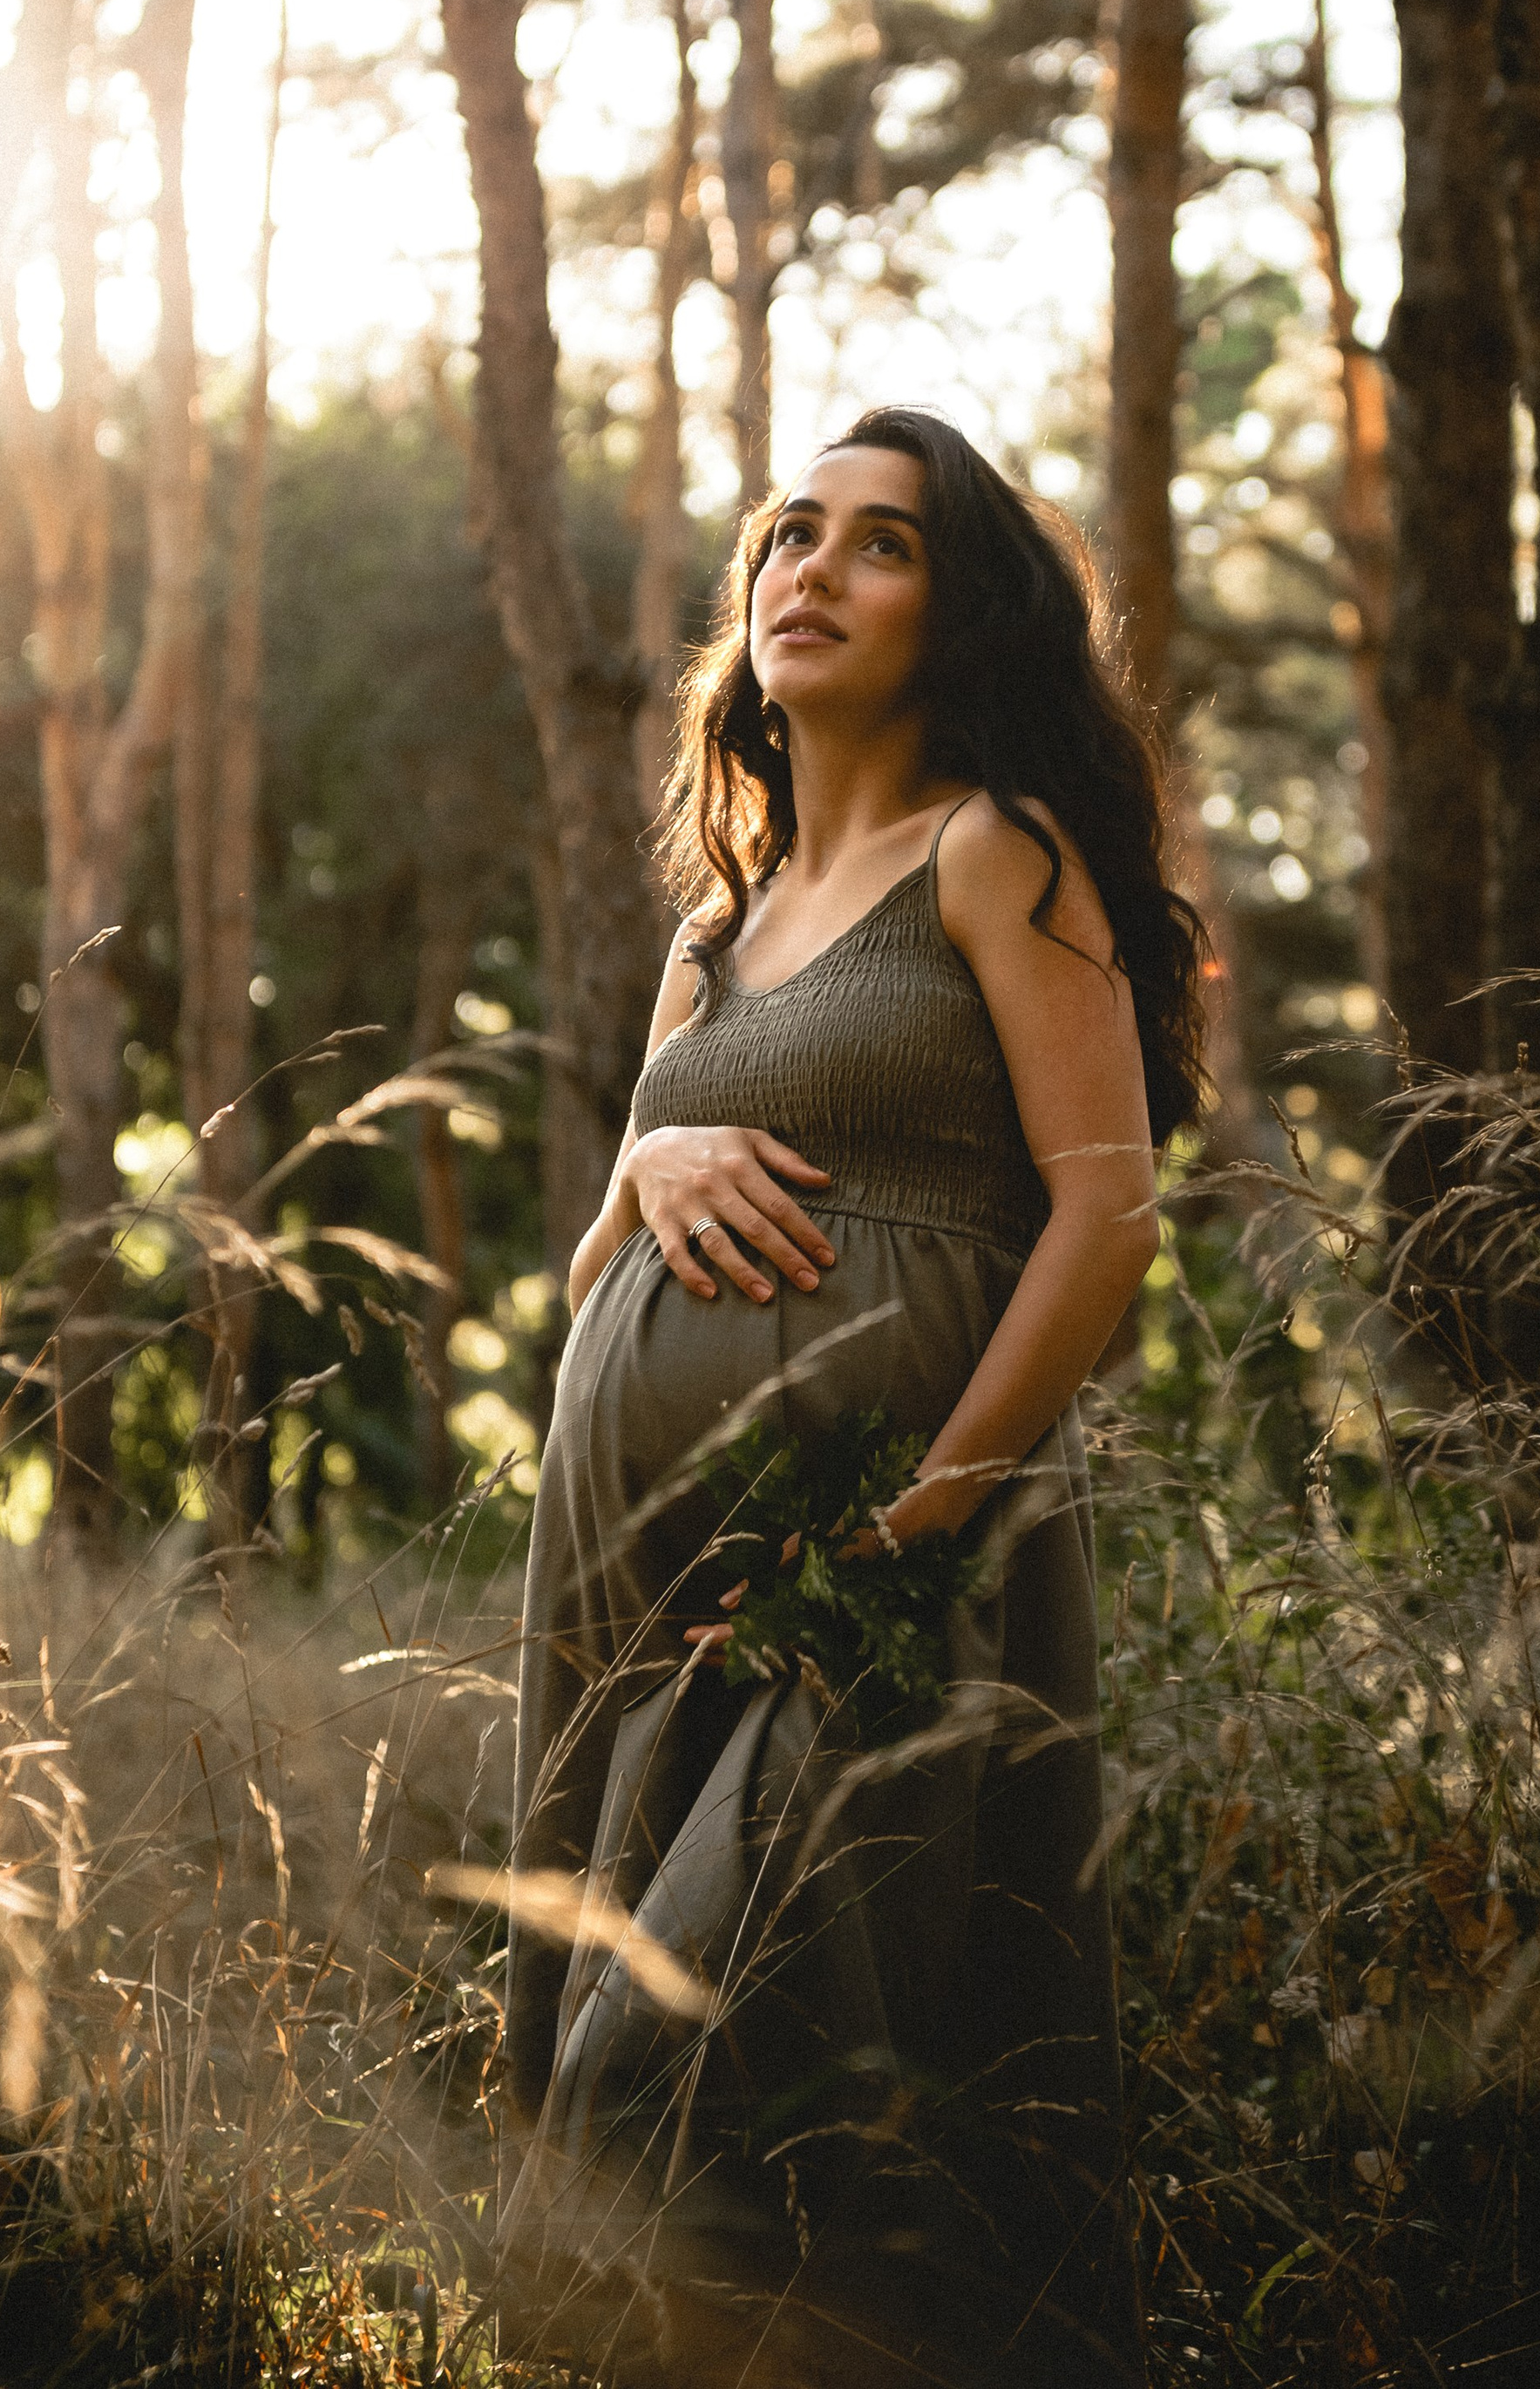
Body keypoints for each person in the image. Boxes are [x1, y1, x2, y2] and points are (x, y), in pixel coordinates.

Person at [495, 404, 1207, 2389]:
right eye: (788, 532)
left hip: (879, 1567)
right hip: (640, 1583)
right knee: (622, 2034)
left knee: (752, 2051)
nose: (809, 567)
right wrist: (642, 1168)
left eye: (877, 543)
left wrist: (901, 1545)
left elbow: (1103, 1219)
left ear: (956, 609)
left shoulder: (997, 855)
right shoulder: (709, 937)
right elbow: (594, 1288)